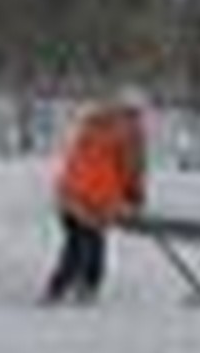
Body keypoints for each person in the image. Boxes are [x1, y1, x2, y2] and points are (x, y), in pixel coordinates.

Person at [42, 87, 148, 304]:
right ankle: (86, 287)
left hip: (69, 194)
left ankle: (60, 286)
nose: (138, 118)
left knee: (75, 242)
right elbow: (131, 168)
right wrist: (135, 195)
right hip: (95, 197)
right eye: (137, 113)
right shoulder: (129, 132)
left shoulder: (94, 122)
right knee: (92, 243)